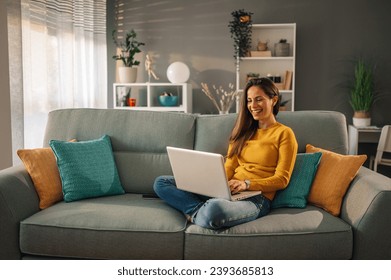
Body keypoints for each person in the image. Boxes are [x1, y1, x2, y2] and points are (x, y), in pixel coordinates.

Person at [153, 78, 298, 230]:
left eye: (259, 99)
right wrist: (212, 184)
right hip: (228, 191)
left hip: (256, 199)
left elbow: (282, 179)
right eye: (249, 101)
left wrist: (246, 184)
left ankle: (196, 212)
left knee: (215, 209)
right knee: (162, 182)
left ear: (274, 100)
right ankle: (199, 211)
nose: (253, 106)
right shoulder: (243, 132)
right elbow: (230, 166)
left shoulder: (284, 133)